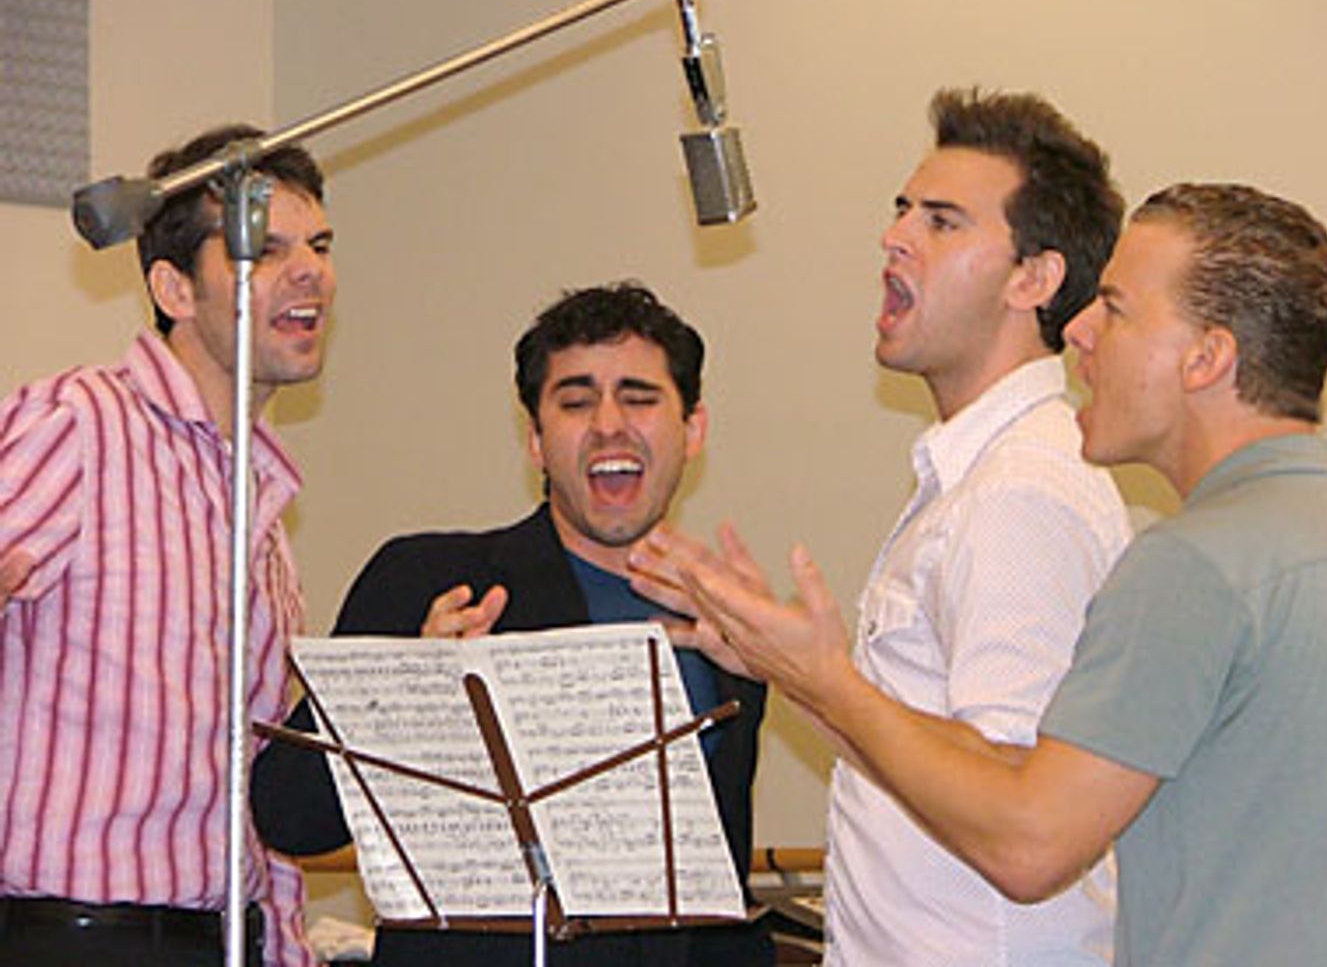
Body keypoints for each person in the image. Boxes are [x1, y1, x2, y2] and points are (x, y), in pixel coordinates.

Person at [646, 183, 1327, 965]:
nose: (1079, 329)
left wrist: (827, 681)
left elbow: (1029, 844)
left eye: (1116, 310)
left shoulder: (1195, 565)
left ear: (1206, 358)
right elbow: (1020, 778)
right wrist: (803, 675)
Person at [636, 88, 1131, 964]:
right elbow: (931, 759)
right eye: (903, 210)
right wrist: (786, 664)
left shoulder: (1020, 493)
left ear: (1034, 278)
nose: (894, 237)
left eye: (941, 222)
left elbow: (1017, 813)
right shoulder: (976, 475)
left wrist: (826, 680)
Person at [251, 282, 772, 966]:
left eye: (640, 398)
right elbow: (290, 816)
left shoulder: (728, 617)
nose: (609, 424)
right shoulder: (427, 578)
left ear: (693, 429)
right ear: (536, 441)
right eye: (575, 402)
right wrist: (415, 688)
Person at [0, 123, 335, 966]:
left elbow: (257, 785)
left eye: (321, 245)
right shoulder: (77, 425)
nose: (310, 272)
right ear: (173, 288)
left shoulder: (261, 496)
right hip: (71, 937)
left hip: (225, 937)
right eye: (267, 247)